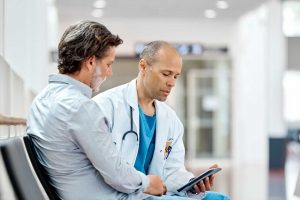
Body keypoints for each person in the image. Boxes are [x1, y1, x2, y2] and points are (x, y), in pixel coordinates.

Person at [26, 21, 167, 200]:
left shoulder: (41, 100)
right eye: (108, 64)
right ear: (91, 62)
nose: (109, 73)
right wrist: (148, 182)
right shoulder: (80, 107)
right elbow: (118, 176)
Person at [93, 41, 230, 199]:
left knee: (218, 198)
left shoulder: (170, 119)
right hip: (121, 194)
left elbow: (172, 170)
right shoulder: (106, 106)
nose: (171, 82)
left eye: (176, 76)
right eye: (166, 74)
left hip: (154, 194)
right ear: (143, 67)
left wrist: (192, 183)